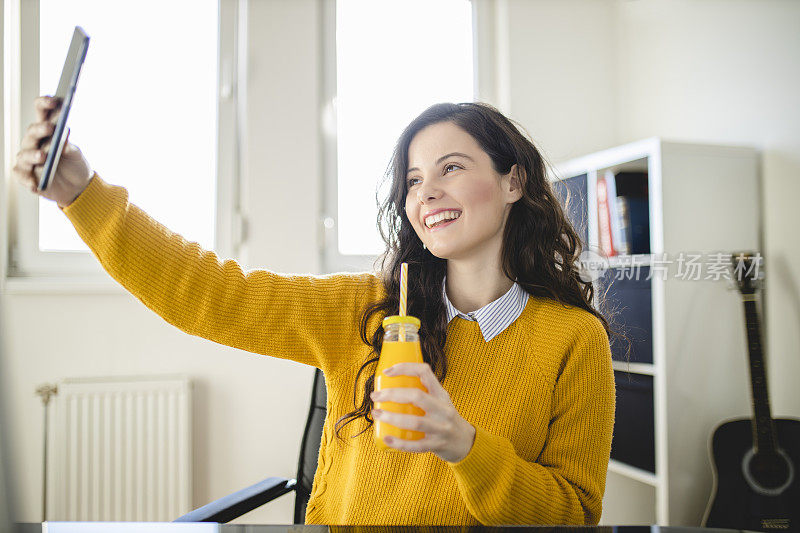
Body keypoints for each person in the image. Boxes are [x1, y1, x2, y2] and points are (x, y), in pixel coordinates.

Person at [13, 96, 618, 526]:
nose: (425, 192)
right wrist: (80, 193)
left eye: (450, 168)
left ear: (513, 182)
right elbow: (206, 293)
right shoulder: (363, 310)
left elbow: (573, 512)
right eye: (411, 181)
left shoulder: (573, 339)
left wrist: (462, 443)